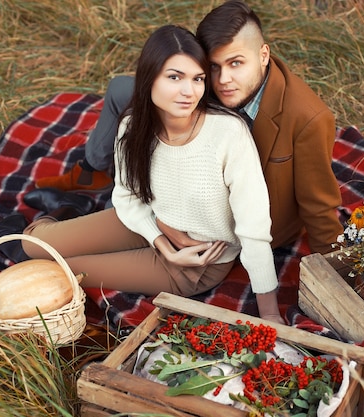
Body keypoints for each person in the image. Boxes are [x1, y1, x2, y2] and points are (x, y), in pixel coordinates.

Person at [21, 24, 285, 324]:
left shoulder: (228, 134)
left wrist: (270, 311)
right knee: (32, 247)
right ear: (150, 78)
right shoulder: (133, 126)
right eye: (175, 77)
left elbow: (254, 226)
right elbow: (127, 196)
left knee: (54, 269)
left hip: (191, 265)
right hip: (148, 222)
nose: (189, 91)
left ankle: (67, 218)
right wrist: (160, 239)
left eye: (197, 79)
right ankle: (55, 218)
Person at [36, 0, 343, 255]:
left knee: (113, 226)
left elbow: (319, 209)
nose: (222, 80)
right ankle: (91, 172)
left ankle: (75, 213)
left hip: (220, 214)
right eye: (212, 66)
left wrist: (334, 276)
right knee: (120, 89)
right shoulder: (210, 84)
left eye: (236, 63)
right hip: (188, 161)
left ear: (263, 55)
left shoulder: (307, 118)